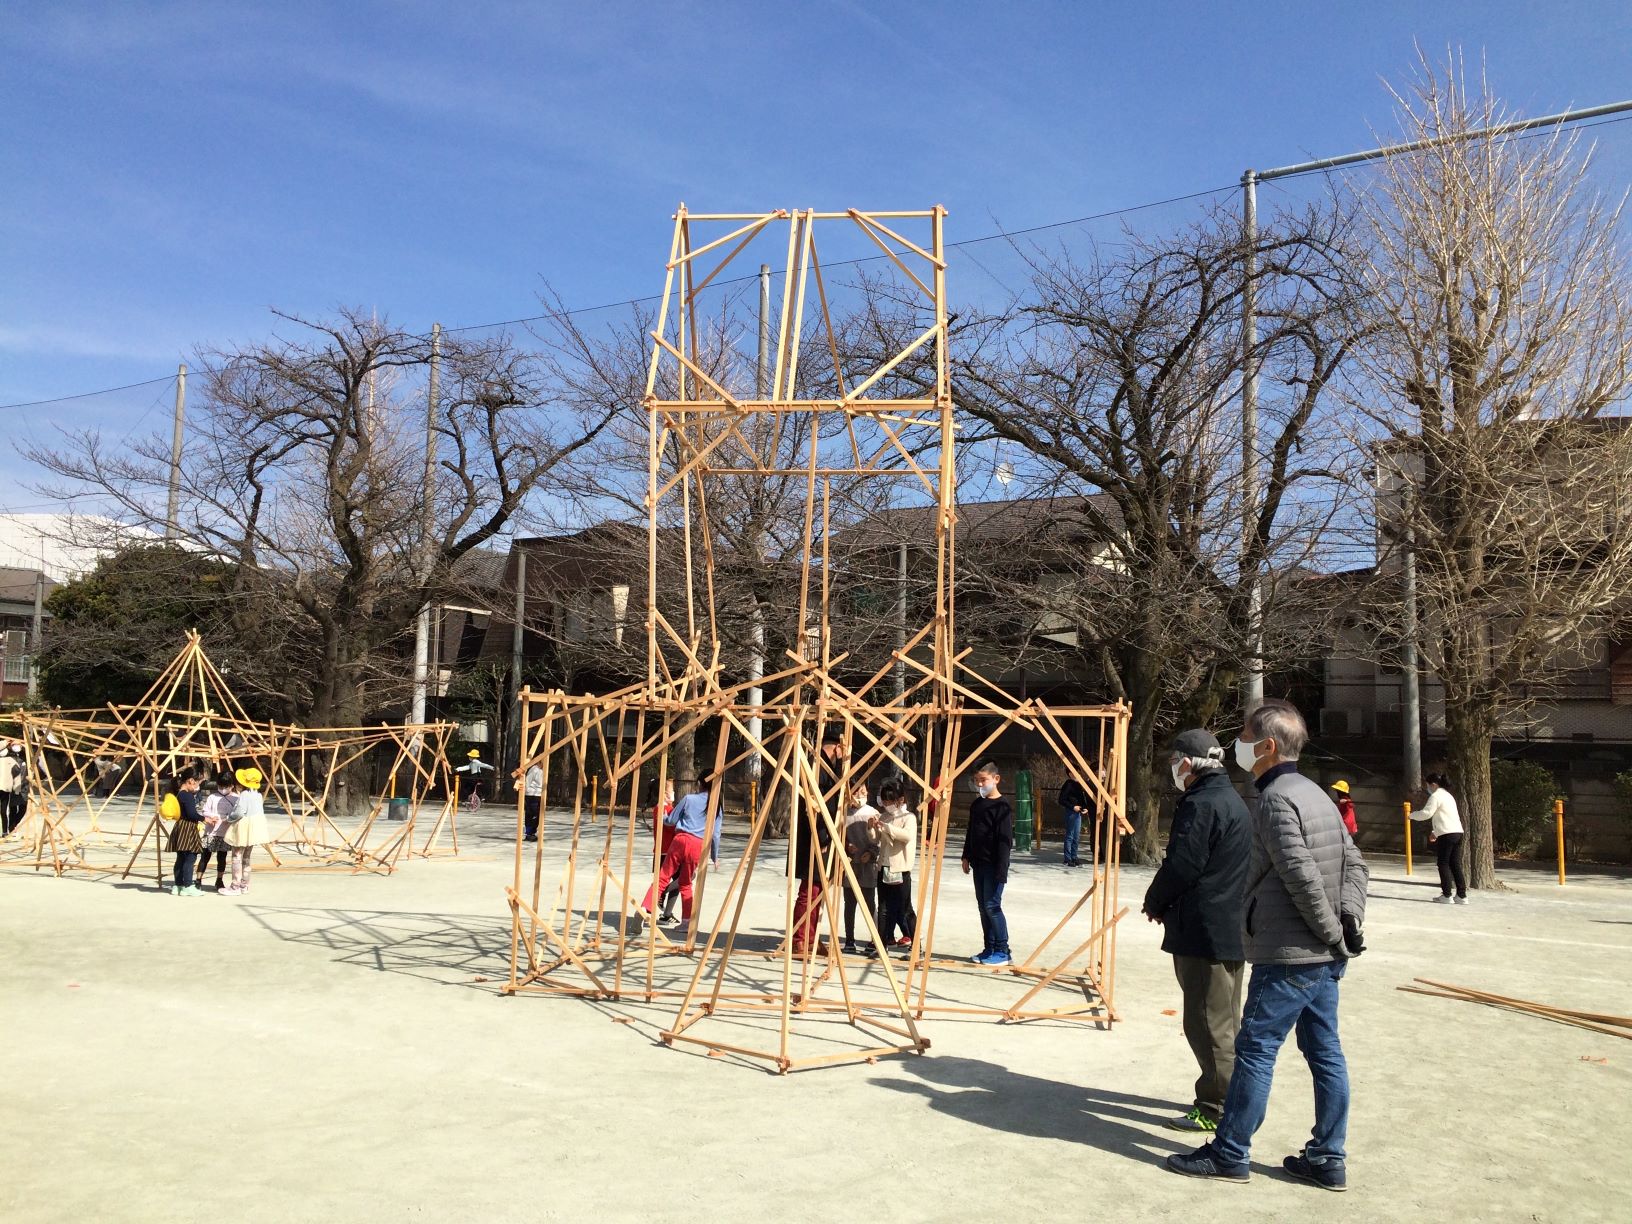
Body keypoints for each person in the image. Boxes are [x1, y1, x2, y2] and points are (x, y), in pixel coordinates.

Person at [1168, 699, 1369, 1192]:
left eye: (1244, 736)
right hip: (1321, 953)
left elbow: (1299, 875)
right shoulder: (1317, 794)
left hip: (1291, 953)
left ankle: (1230, 1151)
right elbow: (1356, 866)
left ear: (1268, 746)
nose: (1237, 745)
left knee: (1255, 1049)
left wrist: (1332, 932)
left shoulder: (1277, 799)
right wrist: (1349, 922)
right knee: (1326, 1053)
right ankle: (1327, 1157)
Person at [1141, 729, 1250, 1134]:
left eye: (1175, 761)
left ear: (1188, 763)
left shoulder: (1201, 804)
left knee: (1208, 1022)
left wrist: (1156, 901)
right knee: (1226, 1020)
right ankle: (1229, 1096)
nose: (1173, 767)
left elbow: (1183, 865)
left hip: (1205, 928)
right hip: (1229, 926)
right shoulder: (1232, 800)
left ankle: (1219, 1107)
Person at [633, 776, 720, 936]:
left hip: (679, 842)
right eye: (671, 791)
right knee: (685, 883)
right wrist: (714, 855)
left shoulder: (687, 800)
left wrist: (667, 819)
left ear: (700, 784)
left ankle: (647, 908)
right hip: (695, 844)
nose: (674, 793)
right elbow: (715, 834)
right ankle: (685, 921)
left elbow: (670, 821)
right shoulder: (716, 805)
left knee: (663, 879)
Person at [961, 761, 1013, 966]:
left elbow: (1005, 841)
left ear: (995, 779)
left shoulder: (1003, 807)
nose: (980, 784)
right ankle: (989, 947)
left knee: (993, 905)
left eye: (983, 780)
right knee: (983, 907)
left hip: (994, 865)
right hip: (979, 863)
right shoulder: (977, 805)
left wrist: (1002, 870)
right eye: (977, 781)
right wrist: (966, 856)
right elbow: (970, 832)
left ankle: (1003, 949)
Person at [872, 778, 918, 949]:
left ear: (900, 800)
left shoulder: (908, 817)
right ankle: (881, 945)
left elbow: (906, 836)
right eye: (884, 801)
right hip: (883, 866)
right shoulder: (884, 816)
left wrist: (886, 827)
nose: (887, 804)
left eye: (890, 801)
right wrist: (872, 827)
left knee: (905, 908)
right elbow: (875, 838)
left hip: (900, 868)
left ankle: (915, 945)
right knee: (883, 908)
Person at [1411, 772, 1466, 904]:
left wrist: (1411, 815)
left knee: (1443, 863)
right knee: (1455, 864)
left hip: (1447, 834)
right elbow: (1446, 817)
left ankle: (1447, 895)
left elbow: (1427, 813)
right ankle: (1462, 896)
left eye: (1428, 785)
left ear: (1433, 784)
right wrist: (1435, 832)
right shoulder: (1448, 796)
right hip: (1457, 832)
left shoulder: (1436, 796)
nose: (1427, 788)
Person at [841, 779, 881, 956]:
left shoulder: (873, 813)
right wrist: (847, 845)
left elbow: (879, 839)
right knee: (849, 903)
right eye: (856, 791)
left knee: (870, 903)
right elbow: (839, 835)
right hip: (849, 862)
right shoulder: (843, 813)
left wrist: (871, 853)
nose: (860, 795)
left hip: (868, 864)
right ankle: (849, 939)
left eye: (863, 790)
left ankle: (875, 939)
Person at [224, 767, 272, 895]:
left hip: (243, 827)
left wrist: (229, 818)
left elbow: (240, 812)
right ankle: (245, 885)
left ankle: (235, 886)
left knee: (236, 856)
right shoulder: (258, 795)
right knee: (246, 857)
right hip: (255, 828)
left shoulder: (244, 795)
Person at [164, 768, 205, 896]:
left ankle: (178, 885)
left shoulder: (179, 794)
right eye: (198, 783)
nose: (198, 787)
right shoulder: (187, 795)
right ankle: (188, 885)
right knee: (190, 857)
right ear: (191, 781)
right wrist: (204, 819)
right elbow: (192, 814)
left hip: (180, 827)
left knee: (181, 858)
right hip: (188, 827)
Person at [198, 775, 237, 892]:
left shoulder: (236, 798)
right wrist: (210, 816)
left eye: (226, 786)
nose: (223, 789)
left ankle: (219, 879)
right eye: (221, 786)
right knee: (205, 856)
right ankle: (198, 879)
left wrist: (228, 819)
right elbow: (205, 810)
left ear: (232, 786)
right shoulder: (212, 797)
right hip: (211, 831)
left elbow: (237, 813)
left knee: (222, 857)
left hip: (225, 832)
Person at [1058, 773, 1090, 867]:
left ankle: (1074, 857)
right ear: (1070, 774)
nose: (1077, 774)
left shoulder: (1079, 784)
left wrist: (1085, 807)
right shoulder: (1068, 784)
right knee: (1070, 835)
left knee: (1076, 836)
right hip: (1071, 812)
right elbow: (1061, 800)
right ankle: (1067, 859)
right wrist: (1073, 807)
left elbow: (1081, 799)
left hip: (1078, 812)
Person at [522, 761, 544, 842]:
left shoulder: (542, 771)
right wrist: (525, 793)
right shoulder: (534, 769)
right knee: (531, 814)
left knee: (537, 815)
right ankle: (529, 833)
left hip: (539, 794)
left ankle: (533, 832)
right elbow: (528, 781)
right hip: (531, 794)